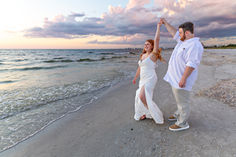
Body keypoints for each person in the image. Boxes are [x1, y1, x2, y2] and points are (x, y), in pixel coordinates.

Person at [161, 18, 204, 131]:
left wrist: (183, 79)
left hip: (182, 79)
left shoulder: (194, 45)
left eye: (180, 32)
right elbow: (173, 32)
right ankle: (178, 113)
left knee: (183, 101)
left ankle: (182, 123)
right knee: (178, 99)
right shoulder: (183, 41)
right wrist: (165, 23)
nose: (178, 34)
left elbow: (191, 64)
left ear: (187, 33)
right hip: (175, 78)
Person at [132, 20, 165, 124]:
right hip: (142, 78)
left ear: (152, 46)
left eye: (148, 44)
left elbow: (157, 39)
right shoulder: (142, 56)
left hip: (150, 78)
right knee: (140, 96)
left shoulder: (153, 56)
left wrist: (158, 27)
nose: (146, 45)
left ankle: (153, 112)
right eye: (145, 44)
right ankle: (146, 113)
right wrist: (135, 77)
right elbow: (139, 68)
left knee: (142, 96)